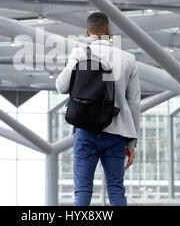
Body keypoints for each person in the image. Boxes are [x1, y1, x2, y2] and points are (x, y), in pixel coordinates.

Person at [55, 12, 141, 206]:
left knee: (83, 191)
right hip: (117, 133)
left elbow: (61, 87)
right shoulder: (128, 59)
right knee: (116, 190)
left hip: (85, 131)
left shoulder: (79, 55)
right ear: (109, 30)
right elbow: (134, 102)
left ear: (87, 32)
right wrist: (132, 142)